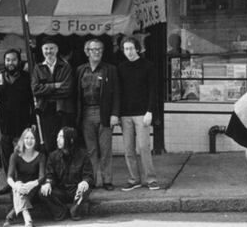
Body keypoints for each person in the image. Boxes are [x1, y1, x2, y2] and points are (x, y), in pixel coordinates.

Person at [75, 38, 120, 190]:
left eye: (100, 49)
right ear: (87, 52)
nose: (97, 52)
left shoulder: (110, 69)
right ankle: (93, 180)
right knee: (91, 149)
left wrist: (115, 114)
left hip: (104, 113)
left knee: (106, 149)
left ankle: (107, 180)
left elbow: (117, 94)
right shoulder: (80, 70)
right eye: (93, 50)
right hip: (87, 112)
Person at [117, 36, 160, 191]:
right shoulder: (120, 68)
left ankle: (151, 179)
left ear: (137, 49)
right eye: (126, 49)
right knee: (128, 149)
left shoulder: (148, 66)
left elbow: (153, 91)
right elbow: (118, 93)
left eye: (131, 48)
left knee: (143, 147)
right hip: (125, 114)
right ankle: (134, 179)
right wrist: (117, 114)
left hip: (142, 113)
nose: (129, 52)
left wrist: (150, 111)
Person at [0, 48, 34, 187]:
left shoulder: (26, 78)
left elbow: (32, 102)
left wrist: (32, 122)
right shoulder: (1, 77)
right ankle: (9, 183)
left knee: (21, 155)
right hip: (5, 124)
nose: (10, 63)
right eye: (8, 60)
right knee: (6, 155)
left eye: (13, 60)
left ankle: (21, 183)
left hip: (22, 123)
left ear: (18, 61)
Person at [39, 127, 94, 221]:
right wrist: (48, 183)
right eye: (57, 137)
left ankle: (75, 211)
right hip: (60, 191)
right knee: (42, 192)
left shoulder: (83, 155)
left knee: (86, 188)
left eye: (61, 137)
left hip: (76, 191)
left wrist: (85, 182)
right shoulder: (53, 156)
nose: (57, 139)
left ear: (71, 140)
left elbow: (88, 176)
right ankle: (60, 211)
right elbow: (50, 175)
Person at [30, 38, 74, 153]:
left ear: (57, 49)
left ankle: (63, 170)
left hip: (62, 110)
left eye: (51, 48)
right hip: (45, 110)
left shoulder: (65, 67)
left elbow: (67, 90)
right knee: (48, 144)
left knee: (63, 143)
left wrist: (45, 90)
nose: (49, 51)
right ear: (42, 50)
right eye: (46, 49)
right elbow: (35, 89)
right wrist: (54, 86)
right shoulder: (37, 68)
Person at [4, 128, 46, 227]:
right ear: (22, 140)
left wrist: (32, 184)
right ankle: (28, 220)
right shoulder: (15, 155)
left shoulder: (41, 156)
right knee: (18, 186)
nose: (29, 141)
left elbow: (42, 177)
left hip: (34, 189)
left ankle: (11, 216)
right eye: (26, 138)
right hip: (18, 188)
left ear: (36, 141)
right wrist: (15, 186)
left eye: (32, 138)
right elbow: (9, 177)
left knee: (21, 191)